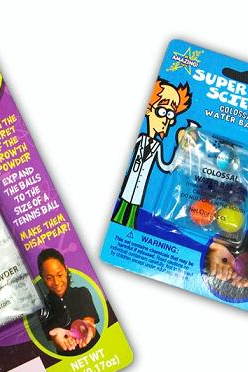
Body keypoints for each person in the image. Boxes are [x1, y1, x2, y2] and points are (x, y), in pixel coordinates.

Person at [113, 78, 192, 228]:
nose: (166, 120)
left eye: (171, 115)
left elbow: (166, 166)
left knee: (135, 201)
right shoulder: (139, 139)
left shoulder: (157, 146)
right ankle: (119, 216)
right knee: (126, 197)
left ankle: (130, 221)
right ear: (149, 109)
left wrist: (180, 151)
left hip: (141, 184)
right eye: (162, 111)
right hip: (131, 179)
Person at [37, 248, 100, 356]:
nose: (57, 282)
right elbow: (54, 340)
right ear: (42, 277)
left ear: (65, 270)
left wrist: (89, 328)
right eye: (49, 278)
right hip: (69, 360)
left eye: (60, 275)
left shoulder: (82, 293)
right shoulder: (42, 308)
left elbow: (89, 322)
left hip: (98, 351)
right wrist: (57, 341)